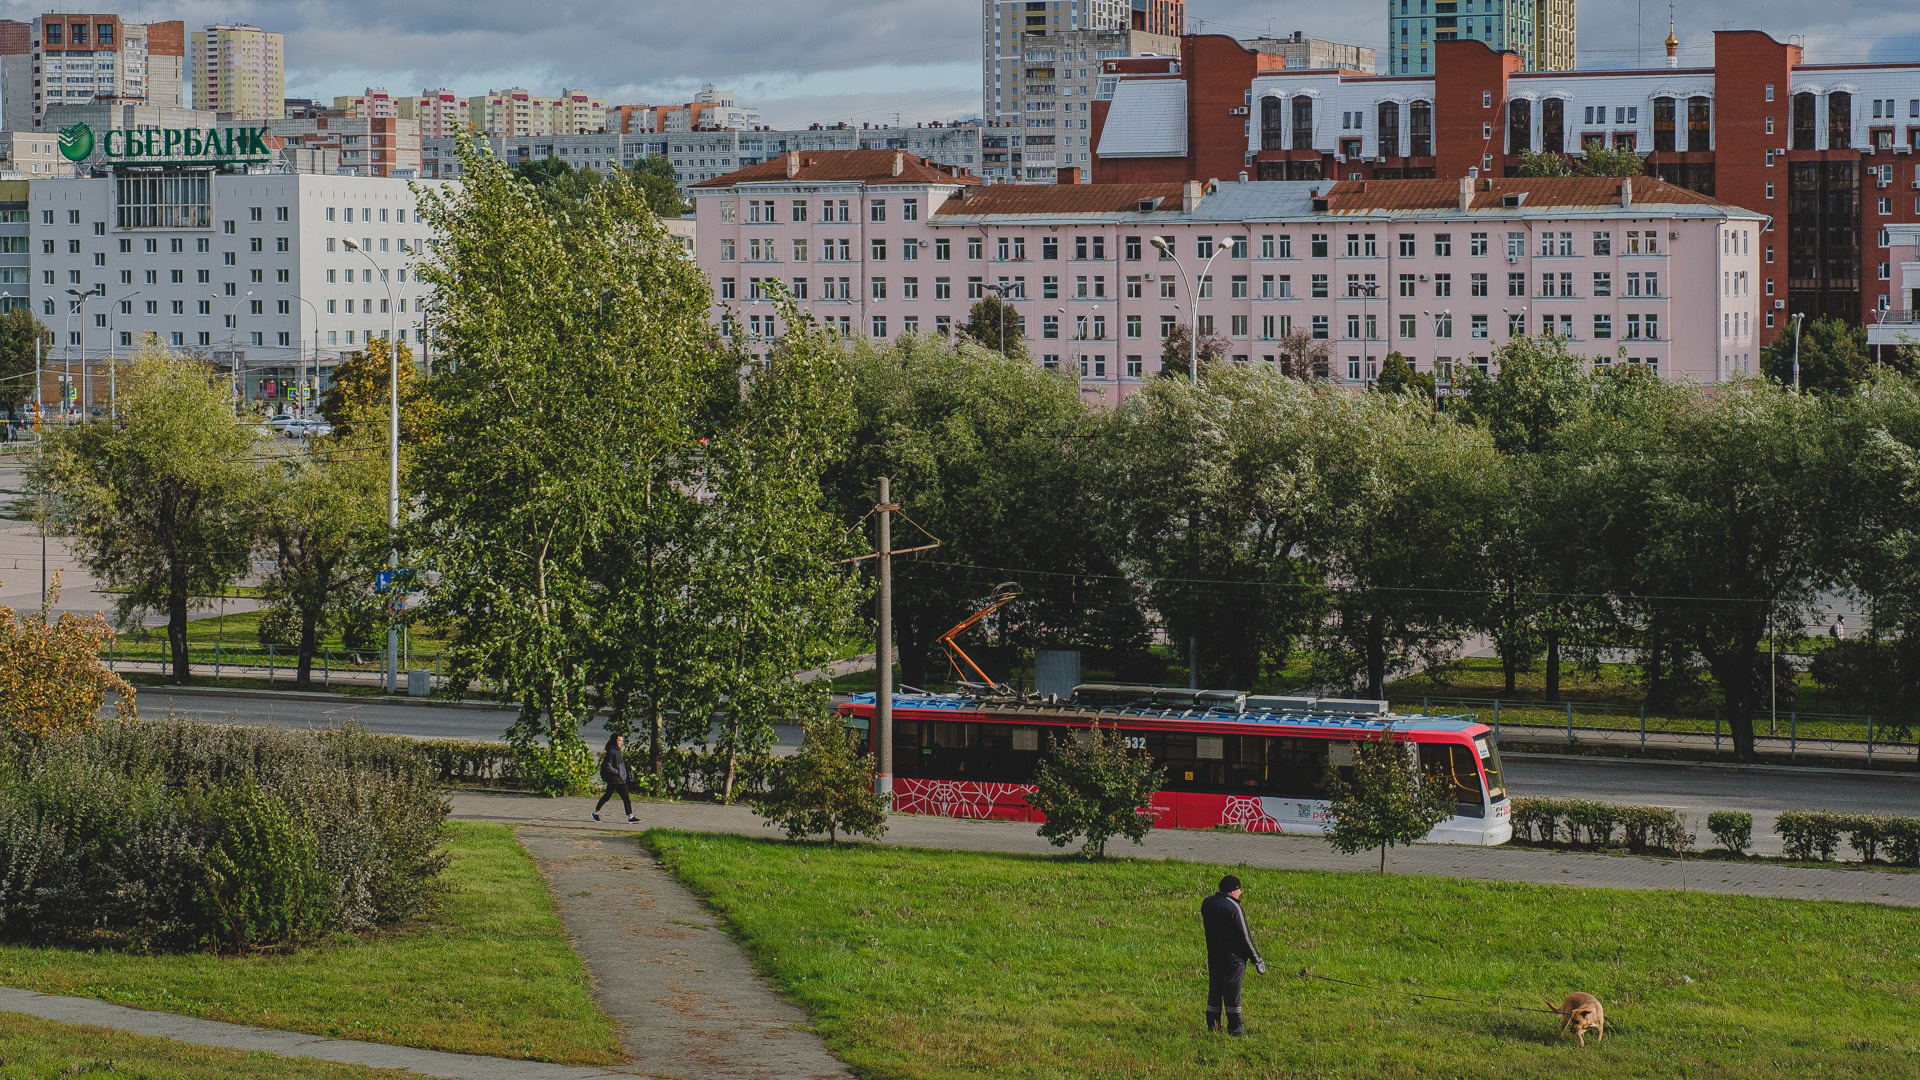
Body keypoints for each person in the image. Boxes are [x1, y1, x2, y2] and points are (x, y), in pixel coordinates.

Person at [1200, 874, 1265, 1036]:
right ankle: (1235, 1029)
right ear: (1232, 891)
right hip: (1234, 960)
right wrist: (1257, 959)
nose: (1240, 893)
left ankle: (1213, 1026)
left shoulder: (1207, 903)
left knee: (1215, 992)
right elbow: (1245, 936)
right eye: (1239, 890)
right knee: (1232, 995)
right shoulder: (1234, 907)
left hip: (1214, 957)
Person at [593, 732, 638, 824]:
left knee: (626, 798)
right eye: (619, 740)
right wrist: (617, 772)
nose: (621, 742)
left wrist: (622, 773)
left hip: (621, 779)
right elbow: (607, 765)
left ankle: (630, 817)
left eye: (622, 740)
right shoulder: (611, 751)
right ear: (615, 740)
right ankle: (595, 813)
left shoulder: (617, 750)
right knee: (607, 797)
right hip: (614, 779)